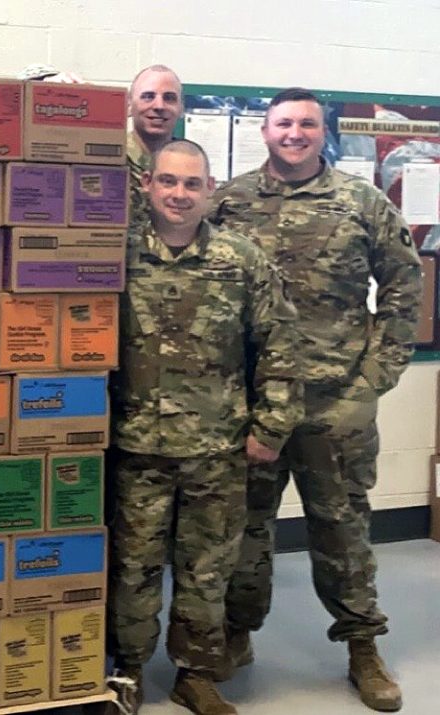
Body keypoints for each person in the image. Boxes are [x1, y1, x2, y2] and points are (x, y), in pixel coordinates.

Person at [211, 87, 421, 713]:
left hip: (336, 404)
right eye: (284, 122)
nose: (295, 132)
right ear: (266, 130)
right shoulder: (230, 201)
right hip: (255, 404)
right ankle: (238, 631)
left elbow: (406, 286)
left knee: (343, 527)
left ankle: (361, 645)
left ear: (323, 131)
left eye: (307, 123)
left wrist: (374, 379)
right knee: (245, 527)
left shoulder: (362, 202)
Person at [110, 140, 302, 715]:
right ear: (148, 186)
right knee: (133, 566)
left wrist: (270, 427)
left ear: (210, 191)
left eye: (192, 184)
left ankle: (195, 672)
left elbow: (279, 345)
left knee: (207, 569)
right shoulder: (117, 256)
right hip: (136, 445)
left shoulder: (241, 261)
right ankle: (129, 671)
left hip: (217, 448)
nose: (178, 194)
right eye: (168, 181)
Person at [127, 65, 184, 228]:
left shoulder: (190, 165)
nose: (159, 106)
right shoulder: (107, 159)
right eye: (148, 96)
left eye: (169, 98)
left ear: (181, 109)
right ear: (129, 105)